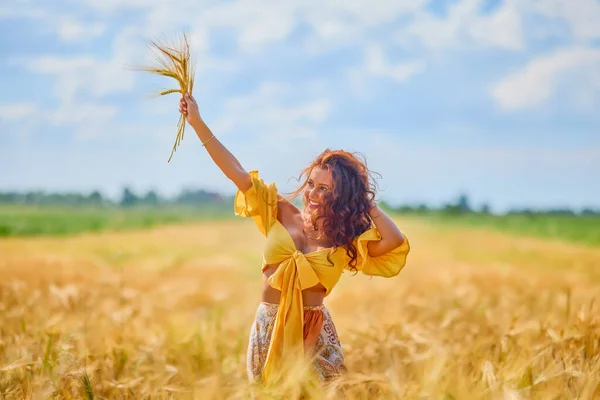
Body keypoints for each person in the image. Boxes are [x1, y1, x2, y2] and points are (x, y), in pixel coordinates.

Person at [179, 93, 411, 385]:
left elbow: (394, 241)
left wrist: (366, 202)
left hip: (314, 332)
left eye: (325, 190)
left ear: (342, 197)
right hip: (269, 327)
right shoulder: (279, 211)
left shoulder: (345, 239)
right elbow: (235, 171)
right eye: (311, 184)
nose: (313, 194)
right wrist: (197, 122)